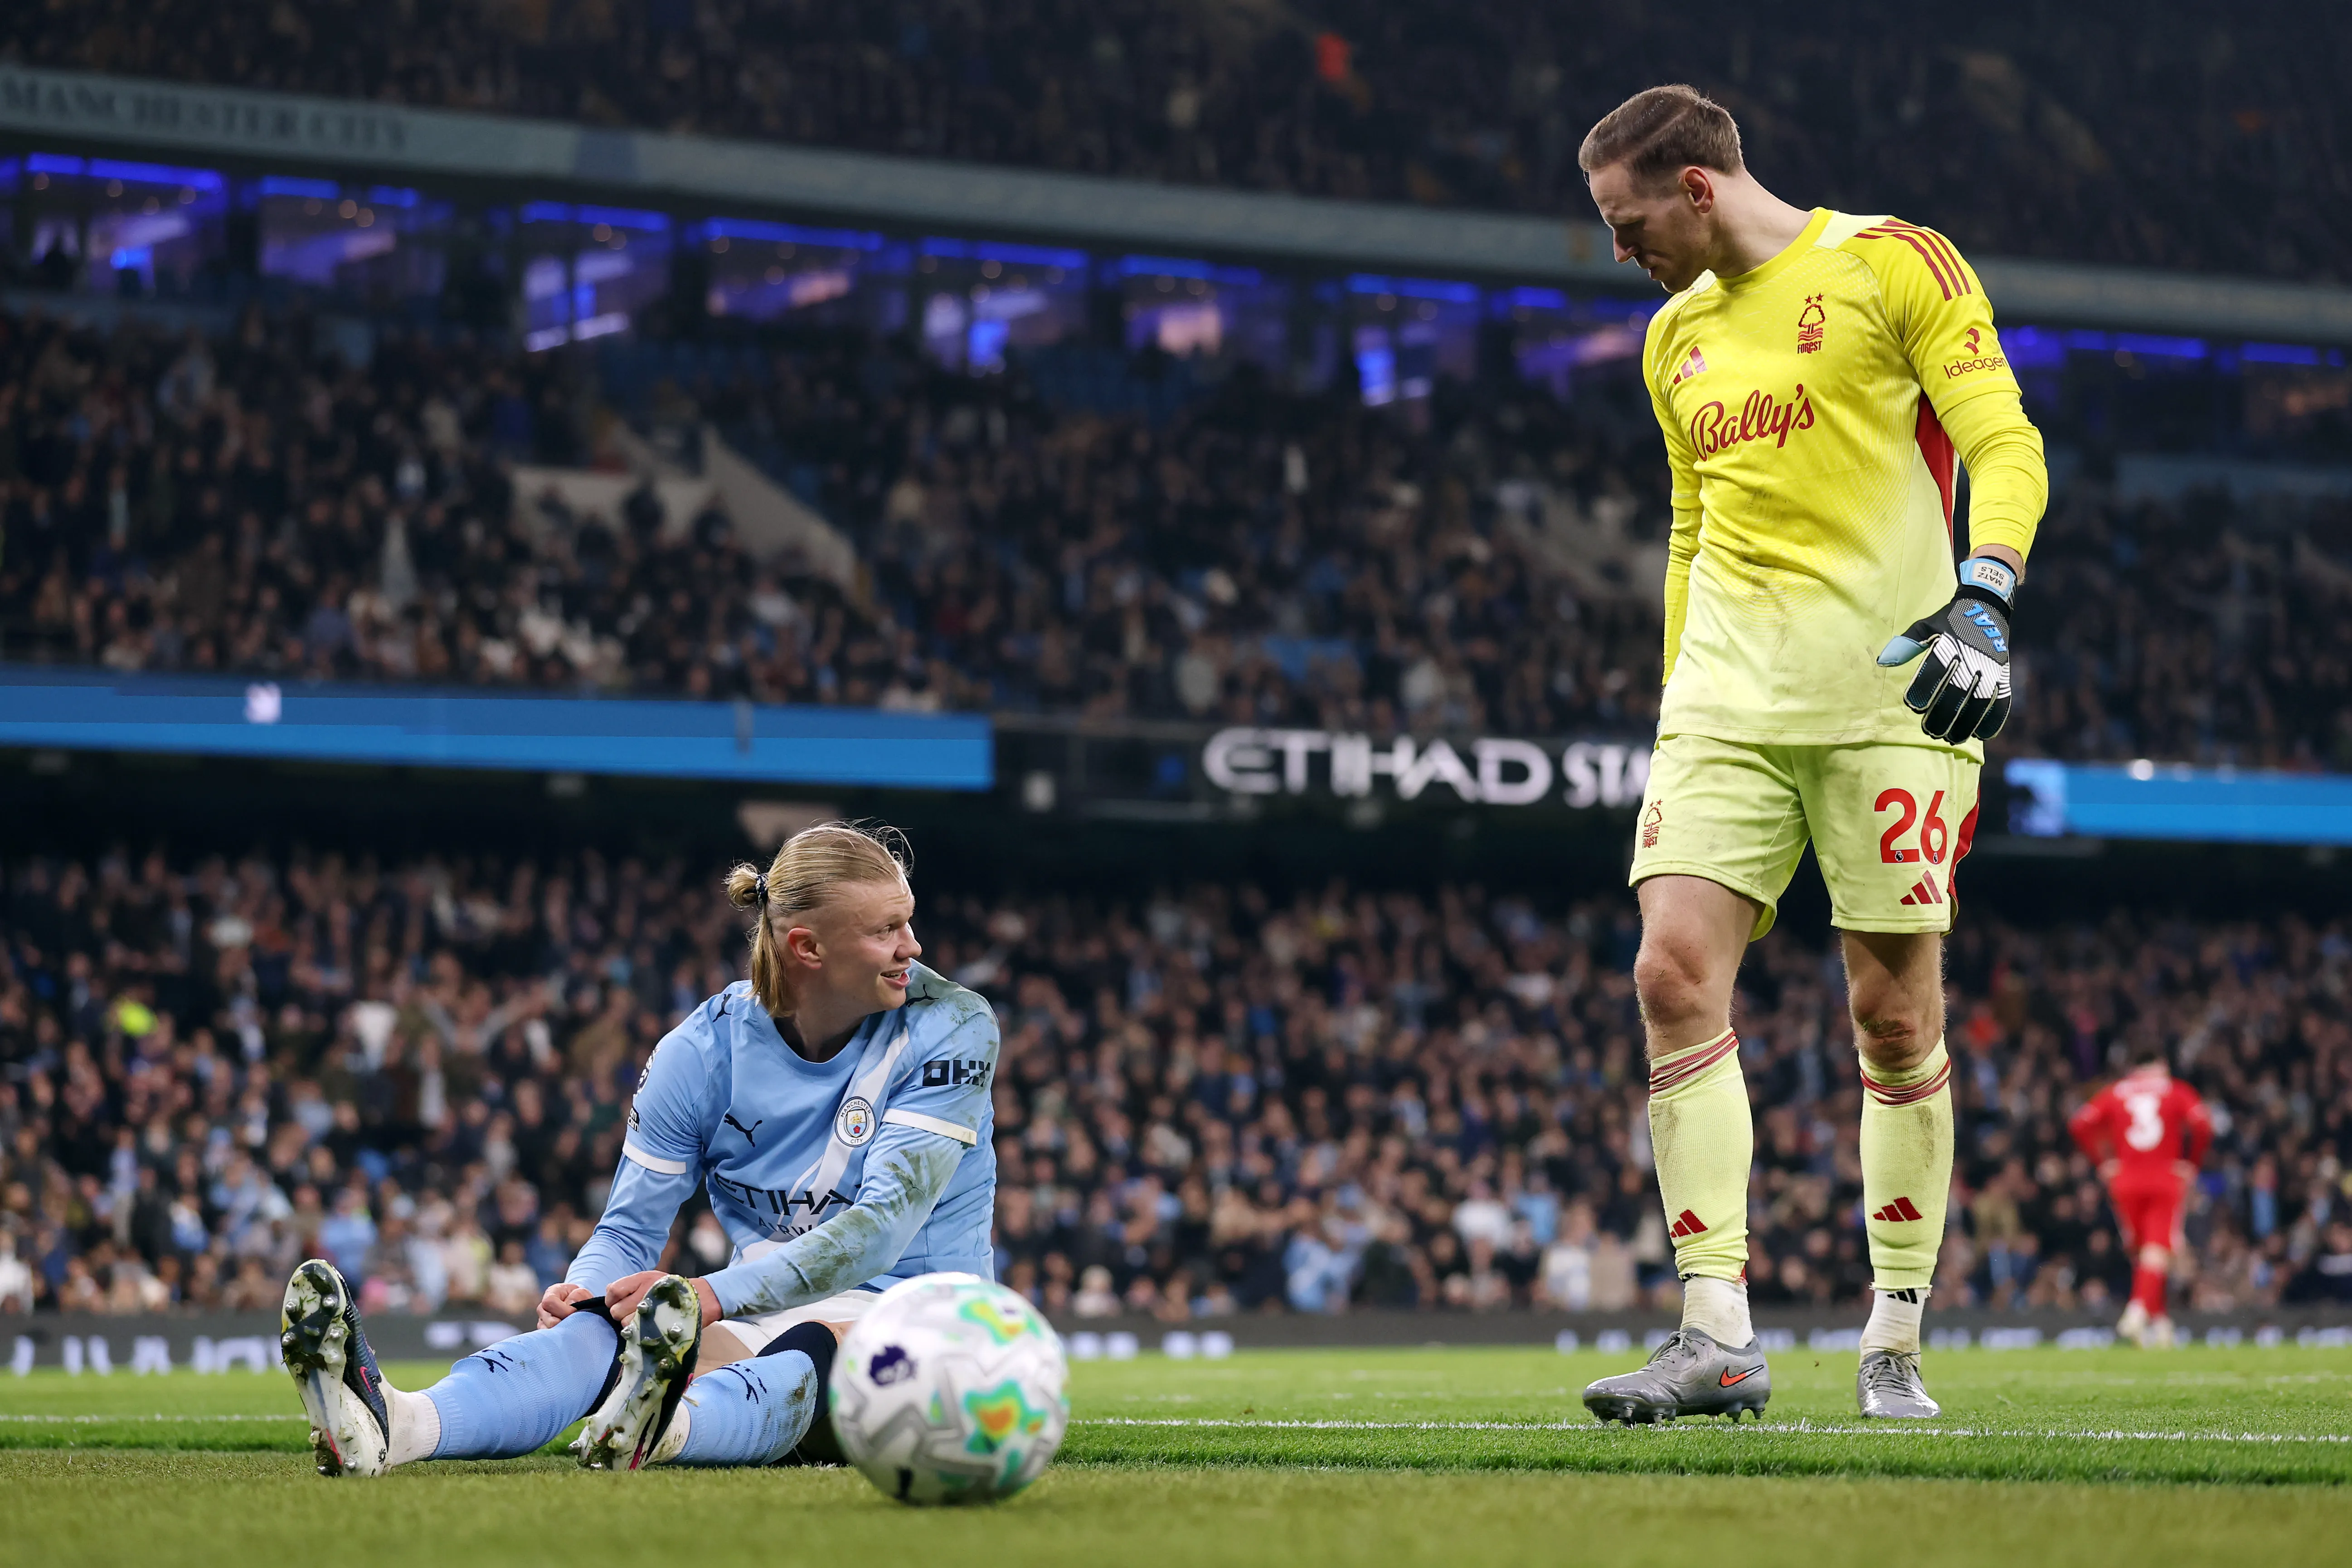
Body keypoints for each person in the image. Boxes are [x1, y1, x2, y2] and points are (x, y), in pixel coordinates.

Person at [1571, 85, 2047, 1423]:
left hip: (1890, 694)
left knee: (1891, 1013)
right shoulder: (1671, 342)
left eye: (1627, 223)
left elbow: (2004, 438)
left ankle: (1892, 1324)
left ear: (1697, 190)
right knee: (1669, 974)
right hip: (1725, 704)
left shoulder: (1895, 263)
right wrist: (1677, 697)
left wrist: (1987, 592)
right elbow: (1686, 528)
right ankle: (1713, 1327)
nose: (1620, 253)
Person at [279, 820, 999, 1476]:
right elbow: (628, 1231)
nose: (914, 947)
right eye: (889, 929)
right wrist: (589, 1290)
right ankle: (396, 1423)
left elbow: (878, 1231)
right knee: (602, 1330)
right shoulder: (701, 1049)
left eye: (908, 921)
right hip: (767, 1310)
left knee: (816, 1345)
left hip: (932, 1323)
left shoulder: (954, 1026)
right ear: (807, 947)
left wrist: (708, 1295)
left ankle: (662, 1424)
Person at [2069, 1053, 2211, 1347]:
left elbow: (2080, 1124)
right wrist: (2192, 1163)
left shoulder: (2117, 1091)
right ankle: (2136, 1313)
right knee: (2158, 1250)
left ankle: (2161, 1326)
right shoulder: (2174, 1089)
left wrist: (2103, 1162)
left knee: (2144, 1252)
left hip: (2125, 1181)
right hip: (2165, 1178)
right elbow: (2203, 1125)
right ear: (2160, 1066)